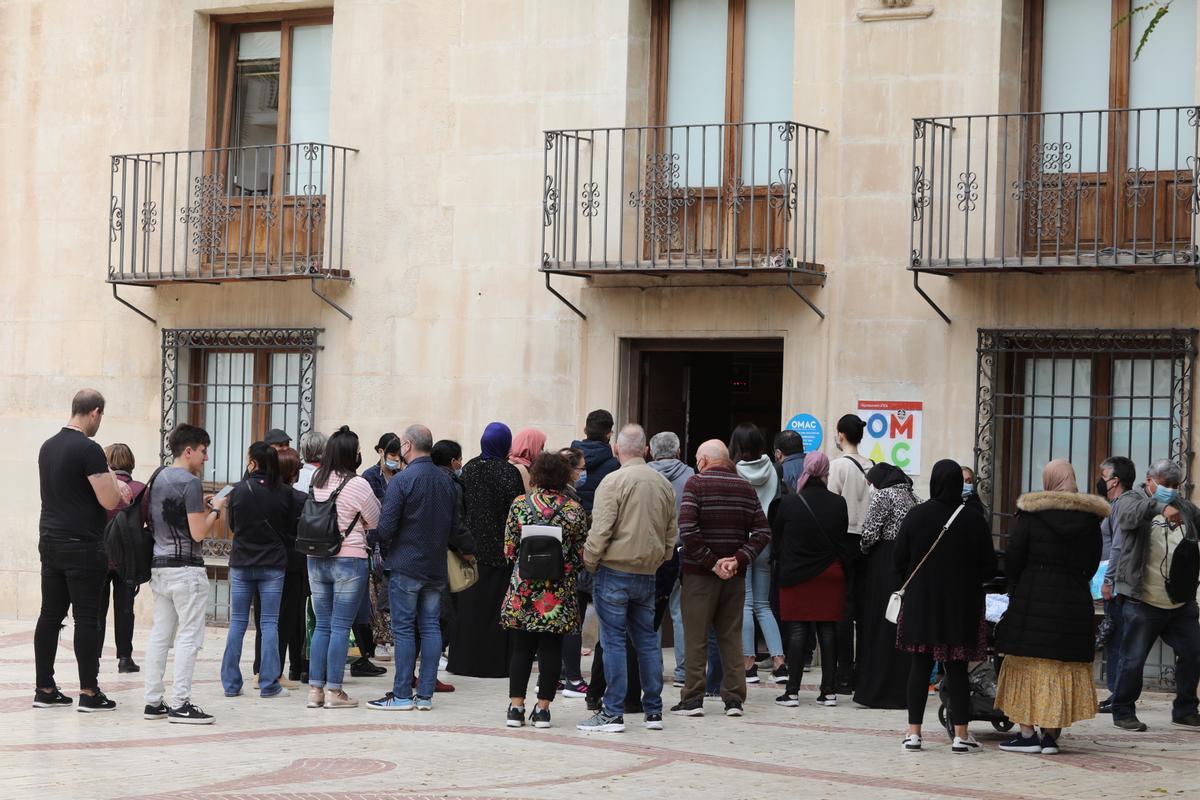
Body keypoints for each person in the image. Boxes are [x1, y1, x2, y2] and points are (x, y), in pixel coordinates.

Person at [995, 459, 1108, 755]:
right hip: (1074, 602)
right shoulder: (1090, 520)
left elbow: (1014, 557)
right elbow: (1092, 563)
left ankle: (1028, 734)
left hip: (1033, 600)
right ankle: (1050, 737)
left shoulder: (1033, 515)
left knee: (1026, 666)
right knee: (1061, 667)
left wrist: (1017, 582)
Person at [34, 390, 132, 712]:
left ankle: (44, 689)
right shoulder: (89, 449)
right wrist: (120, 488)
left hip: (50, 541)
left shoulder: (48, 446)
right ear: (95, 412)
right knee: (88, 619)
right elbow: (108, 500)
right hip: (82, 546)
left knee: (50, 615)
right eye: (100, 417)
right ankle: (89, 692)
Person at [577, 425, 677, 733]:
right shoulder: (663, 483)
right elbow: (672, 531)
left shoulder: (614, 481)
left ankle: (613, 712)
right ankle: (654, 711)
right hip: (647, 572)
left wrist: (590, 562)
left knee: (613, 642)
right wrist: (661, 558)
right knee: (647, 641)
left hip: (614, 571)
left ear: (618, 449)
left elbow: (601, 528)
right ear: (645, 449)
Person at [894, 459, 997, 754]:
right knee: (957, 669)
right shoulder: (973, 518)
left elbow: (897, 561)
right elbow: (989, 568)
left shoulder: (916, 515)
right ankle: (961, 735)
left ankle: (913, 734)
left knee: (919, 666)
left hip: (921, 603)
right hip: (960, 605)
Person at [672, 439, 770, 719]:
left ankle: (692, 699)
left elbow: (688, 530)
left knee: (696, 637)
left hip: (699, 575)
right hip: (735, 577)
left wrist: (712, 563)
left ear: (703, 460)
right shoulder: (746, 487)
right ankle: (734, 700)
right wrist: (738, 559)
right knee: (730, 637)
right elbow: (763, 532)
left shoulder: (696, 484)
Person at [368, 424, 460, 711]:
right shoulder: (447, 480)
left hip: (406, 565)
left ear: (407, 445)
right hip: (434, 565)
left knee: (405, 630)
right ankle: (426, 695)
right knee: (431, 627)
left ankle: (403, 694)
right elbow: (454, 526)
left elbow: (385, 527)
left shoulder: (402, 480)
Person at [142, 424, 227, 724]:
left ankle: (153, 701)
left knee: (161, 635)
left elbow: (167, 515)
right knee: (190, 636)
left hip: (159, 567)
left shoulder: (158, 476)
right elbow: (199, 532)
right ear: (188, 450)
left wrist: (201, 506)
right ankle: (180, 703)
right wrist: (216, 509)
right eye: (203, 451)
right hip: (186, 570)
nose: (205, 458)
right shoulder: (190, 483)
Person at [1110, 459, 1200, 732]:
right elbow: (1128, 518)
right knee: (1133, 659)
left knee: (1194, 653)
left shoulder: (1184, 506)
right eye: (1164, 484)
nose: (1170, 490)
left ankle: (1185, 710)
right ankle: (1123, 711)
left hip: (1180, 601)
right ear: (1149, 480)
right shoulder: (1130, 499)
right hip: (1143, 599)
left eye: (1174, 486)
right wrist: (1160, 506)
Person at [502, 452, 589, 729]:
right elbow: (580, 554)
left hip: (524, 589)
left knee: (521, 649)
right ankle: (543, 711)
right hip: (557, 592)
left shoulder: (520, 505)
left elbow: (509, 549)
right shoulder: (574, 509)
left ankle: (516, 708)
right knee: (551, 650)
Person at [306, 426, 381, 709]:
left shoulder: (316, 478)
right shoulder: (358, 484)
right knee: (340, 626)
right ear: (352, 454)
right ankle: (335, 691)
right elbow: (375, 520)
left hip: (315, 558)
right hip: (349, 558)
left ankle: (315, 690)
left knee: (322, 625)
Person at [771, 452, 854, 708]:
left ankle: (792, 692)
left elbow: (778, 541)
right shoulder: (839, 503)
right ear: (826, 471)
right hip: (830, 573)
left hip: (796, 574)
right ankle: (828, 691)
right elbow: (841, 538)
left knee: (797, 630)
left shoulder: (789, 503)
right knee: (827, 629)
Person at [447, 423, 526, 678]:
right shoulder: (509, 472)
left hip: (470, 552)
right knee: (496, 612)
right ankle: (494, 666)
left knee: (468, 612)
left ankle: (463, 663)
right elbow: (516, 513)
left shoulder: (468, 468)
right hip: (499, 554)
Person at [221, 442, 294, 699]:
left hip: (242, 563)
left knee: (238, 624)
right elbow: (288, 529)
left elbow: (232, 525)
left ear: (252, 461)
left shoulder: (239, 491)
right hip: (273, 565)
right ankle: (269, 684)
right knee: (269, 624)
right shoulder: (285, 493)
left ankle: (231, 684)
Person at [853, 462, 919, 709]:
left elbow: (869, 534)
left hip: (884, 563)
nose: (870, 487)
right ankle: (901, 690)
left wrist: (863, 549)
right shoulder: (912, 495)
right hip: (906, 566)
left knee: (880, 622)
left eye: (870, 482)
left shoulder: (884, 495)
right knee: (898, 624)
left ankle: (876, 690)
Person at [730, 423, 785, 685]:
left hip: (743, 542)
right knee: (764, 605)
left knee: (746, 604)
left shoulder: (734, 471)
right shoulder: (773, 469)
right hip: (766, 540)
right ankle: (779, 661)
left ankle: (749, 664)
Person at [827, 414, 873, 695]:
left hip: (843, 540)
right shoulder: (873, 466)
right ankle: (862, 669)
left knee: (843, 609)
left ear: (841, 435)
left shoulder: (838, 466)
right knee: (863, 608)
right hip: (867, 542)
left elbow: (833, 506)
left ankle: (844, 673)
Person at [429, 438, 478, 692]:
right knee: (442, 618)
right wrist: (469, 550)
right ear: (453, 461)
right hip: (444, 559)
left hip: (417, 558)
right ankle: (429, 675)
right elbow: (455, 523)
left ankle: (415, 676)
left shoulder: (419, 477)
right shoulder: (451, 484)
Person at [648, 431, 695, 688]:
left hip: (652, 553)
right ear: (677, 452)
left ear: (651, 452)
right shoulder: (690, 476)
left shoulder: (644, 476)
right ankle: (683, 671)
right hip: (681, 551)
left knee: (650, 612)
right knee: (680, 614)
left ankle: (653, 670)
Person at [358, 433, 401, 670]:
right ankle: (380, 640)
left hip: (395, 544)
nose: (394, 459)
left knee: (392, 592)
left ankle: (394, 637)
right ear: (381, 451)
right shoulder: (369, 476)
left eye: (397, 455)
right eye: (391, 454)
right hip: (374, 542)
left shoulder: (402, 476)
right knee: (375, 594)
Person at [101, 442, 144, 675]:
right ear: (131, 463)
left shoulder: (100, 488)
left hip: (100, 554)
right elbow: (147, 521)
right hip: (127, 558)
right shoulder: (139, 489)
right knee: (126, 609)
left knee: (97, 610)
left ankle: (93, 656)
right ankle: (125, 658)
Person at [1098, 455, 1136, 713]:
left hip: (1119, 585)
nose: (1101, 482)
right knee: (1119, 640)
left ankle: (1118, 695)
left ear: (1115, 481)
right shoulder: (1118, 504)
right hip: (1117, 582)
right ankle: (1118, 694)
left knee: (1118, 640)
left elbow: (1118, 548)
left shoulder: (1122, 505)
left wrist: (1109, 581)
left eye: (1104, 477)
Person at [559, 447, 593, 698]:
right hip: (568, 571)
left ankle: (557, 676)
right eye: (581, 468)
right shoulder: (570, 503)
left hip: (541, 573)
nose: (583, 474)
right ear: (570, 471)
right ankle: (571, 676)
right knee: (571, 624)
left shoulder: (534, 499)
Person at [571, 409, 621, 512]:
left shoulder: (567, 458)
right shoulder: (615, 466)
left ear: (585, 430)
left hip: (571, 516)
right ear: (609, 434)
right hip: (599, 519)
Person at [508, 427, 547, 492]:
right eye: (540, 448)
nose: (541, 452)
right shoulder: (523, 469)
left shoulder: (508, 462)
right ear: (532, 447)